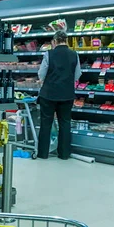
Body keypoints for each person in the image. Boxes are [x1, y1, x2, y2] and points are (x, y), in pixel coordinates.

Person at [37, 30, 81, 160]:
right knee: (65, 123)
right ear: (66, 40)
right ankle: (64, 154)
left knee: (46, 123)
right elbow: (77, 75)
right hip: (67, 94)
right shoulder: (74, 54)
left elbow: (41, 74)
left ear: (54, 41)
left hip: (49, 94)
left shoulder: (48, 54)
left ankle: (43, 153)